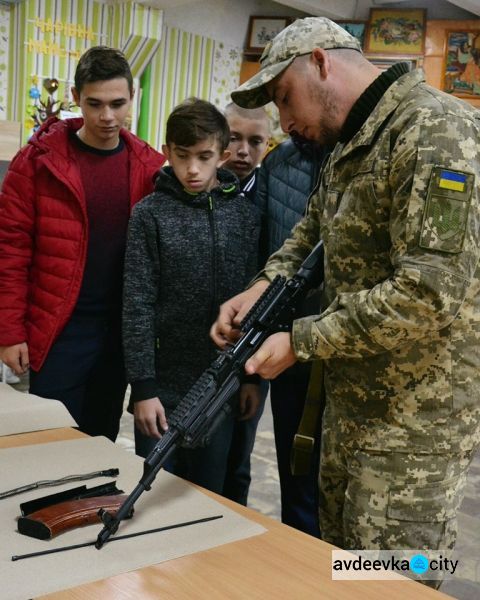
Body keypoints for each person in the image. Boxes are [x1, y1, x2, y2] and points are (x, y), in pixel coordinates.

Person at [211, 15, 480, 573]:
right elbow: (311, 236)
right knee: (345, 572)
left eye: (285, 100)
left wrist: (300, 342)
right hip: (350, 407)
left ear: (320, 63)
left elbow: (428, 293)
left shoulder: (435, 131)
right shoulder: (352, 139)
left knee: (399, 577)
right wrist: (261, 287)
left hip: (413, 429)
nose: (284, 123)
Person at [0, 46, 165, 441]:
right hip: (59, 330)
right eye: (95, 104)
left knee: (100, 441)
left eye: (117, 104)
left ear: (132, 98)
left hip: (117, 334)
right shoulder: (38, 162)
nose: (107, 117)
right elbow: (10, 249)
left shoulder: (149, 167)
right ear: (76, 98)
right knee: (49, 440)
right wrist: (9, 332)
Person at [123, 98, 261, 496]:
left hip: (221, 385)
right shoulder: (149, 215)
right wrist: (143, 389)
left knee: (205, 493)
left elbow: (257, 304)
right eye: (182, 156)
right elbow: (137, 305)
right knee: (152, 491)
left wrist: (250, 379)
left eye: (204, 156)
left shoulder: (246, 216)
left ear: (224, 153)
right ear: (167, 151)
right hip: (161, 388)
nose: (193, 169)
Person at [254, 134, 329, 536]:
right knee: (297, 486)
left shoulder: (373, 154)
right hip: (290, 351)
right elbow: (278, 248)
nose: (283, 120)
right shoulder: (279, 162)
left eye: (286, 97)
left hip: (353, 357)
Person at [221, 102, 270, 505]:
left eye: (255, 142)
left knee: (238, 455)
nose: (242, 151)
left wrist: (255, 376)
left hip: (251, 353)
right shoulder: (198, 190)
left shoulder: (271, 202)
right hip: (198, 343)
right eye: (234, 138)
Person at [223, 102, 270, 201]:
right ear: (218, 138)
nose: (244, 151)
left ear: (266, 146)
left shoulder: (272, 195)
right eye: (233, 139)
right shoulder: (198, 183)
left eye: (255, 142)